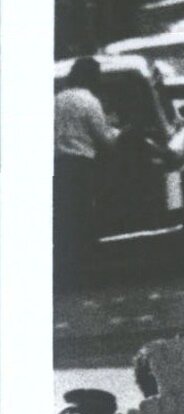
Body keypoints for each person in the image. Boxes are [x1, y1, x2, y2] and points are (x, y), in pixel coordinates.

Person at [53, 54, 122, 284]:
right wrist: (117, 132)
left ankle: (65, 264)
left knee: (63, 216)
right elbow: (104, 140)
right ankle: (88, 267)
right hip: (81, 164)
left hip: (56, 164)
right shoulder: (89, 101)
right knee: (85, 214)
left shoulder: (56, 100)